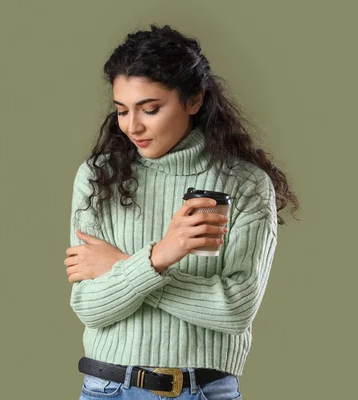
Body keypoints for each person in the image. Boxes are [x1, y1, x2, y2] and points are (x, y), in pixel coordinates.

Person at [63, 24, 299, 400]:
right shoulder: (99, 176)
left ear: (193, 100)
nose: (133, 126)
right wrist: (159, 256)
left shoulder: (244, 184)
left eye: (151, 109)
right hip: (107, 390)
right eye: (122, 111)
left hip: (202, 391)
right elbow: (90, 307)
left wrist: (129, 264)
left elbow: (235, 310)